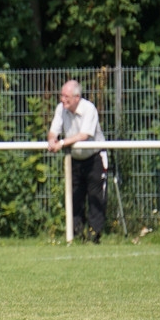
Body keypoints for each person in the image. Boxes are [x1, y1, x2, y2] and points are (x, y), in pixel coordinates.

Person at [47, 80, 108, 242]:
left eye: (66, 96)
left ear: (77, 98)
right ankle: (77, 234)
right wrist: (52, 140)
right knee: (75, 197)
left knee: (95, 197)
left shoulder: (89, 109)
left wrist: (61, 143)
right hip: (74, 159)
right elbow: (53, 131)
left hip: (95, 158)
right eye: (61, 96)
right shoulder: (61, 109)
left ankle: (94, 235)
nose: (62, 99)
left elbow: (84, 135)